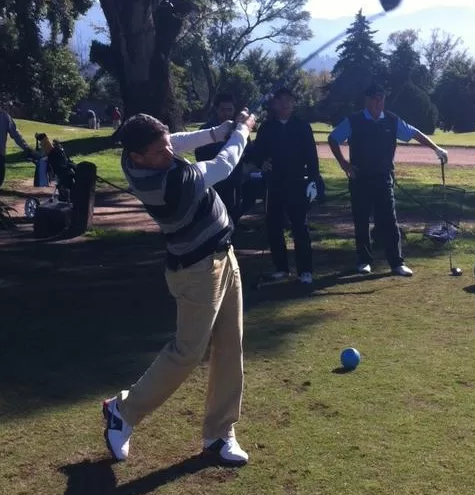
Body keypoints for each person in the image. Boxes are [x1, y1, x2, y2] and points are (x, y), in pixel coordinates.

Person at [101, 106, 255, 468]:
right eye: (159, 152)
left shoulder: (139, 156)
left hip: (222, 255)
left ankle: (219, 433)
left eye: (166, 144)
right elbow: (223, 166)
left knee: (230, 345)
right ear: (138, 156)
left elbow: (173, 142)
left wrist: (217, 130)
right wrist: (241, 132)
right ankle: (122, 411)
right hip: (197, 271)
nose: (169, 153)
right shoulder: (170, 184)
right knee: (187, 352)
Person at [328, 83, 448, 276]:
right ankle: (364, 261)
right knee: (361, 220)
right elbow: (333, 138)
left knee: (389, 220)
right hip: (360, 177)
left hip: (383, 176)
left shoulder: (392, 120)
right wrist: (344, 163)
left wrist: (436, 148)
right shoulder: (354, 120)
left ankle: (396, 263)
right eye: (375, 98)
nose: (378, 102)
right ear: (367, 100)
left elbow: (414, 133)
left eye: (381, 98)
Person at [251, 87, 319, 285]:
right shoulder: (266, 127)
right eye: (280, 101)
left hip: (297, 183)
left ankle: (305, 270)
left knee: (300, 227)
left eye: (288, 100)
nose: (284, 104)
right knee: (274, 227)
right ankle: (281, 268)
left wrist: (314, 179)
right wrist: (261, 162)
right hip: (274, 184)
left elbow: (312, 157)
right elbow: (257, 154)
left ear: (293, 103)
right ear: (274, 104)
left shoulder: (302, 126)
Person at [194, 92, 246, 223]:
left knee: (233, 211)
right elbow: (200, 155)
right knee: (214, 213)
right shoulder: (206, 129)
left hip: (234, 179)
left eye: (230, 109)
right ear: (216, 109)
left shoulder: (239, 129)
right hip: (213, 181)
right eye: (223, 109)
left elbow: (247, 150)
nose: (227, 113)